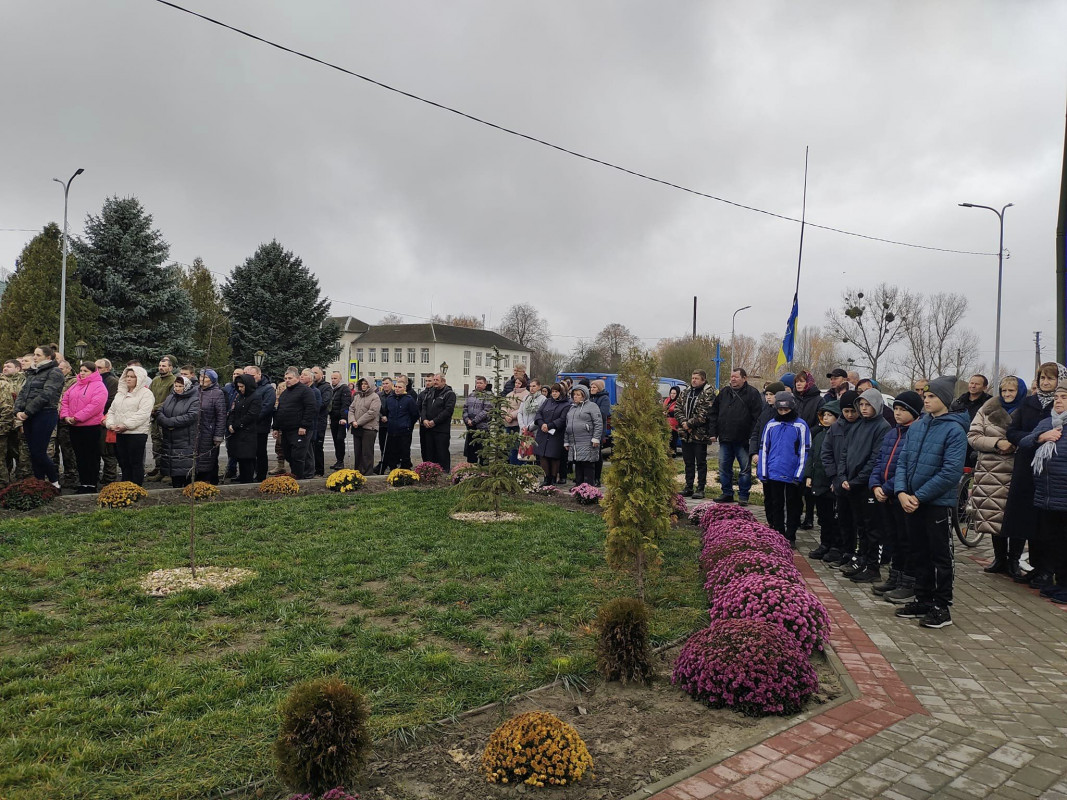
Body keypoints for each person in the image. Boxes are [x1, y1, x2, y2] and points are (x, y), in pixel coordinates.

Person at [893, 376, 969, 630]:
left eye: (932, 397)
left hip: (935, 502)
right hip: (911, 500)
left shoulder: (954, 430)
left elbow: (950, 472)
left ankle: (941, 606)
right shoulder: (918, 426)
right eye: (925, 396)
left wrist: (918, 496)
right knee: (918, 551)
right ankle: (923, 598)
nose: (926, 400)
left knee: (940, 555)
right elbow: (903, 461)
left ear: (944, 400)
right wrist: (902, 491)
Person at [1003, 362, 1067, 587]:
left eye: (1051, 378)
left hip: (1052, 475)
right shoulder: (1028, 403)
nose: (1046, 382)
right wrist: (1036, 437)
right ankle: (1036, 567)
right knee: (1028, 520)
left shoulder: (1059, 406)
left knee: (1047, 525)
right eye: (1042, 378)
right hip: (1027, 467)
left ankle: (1047, 570)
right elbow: (1013, 431)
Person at [969, 376, 1026, 578]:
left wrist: (1014, 444)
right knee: (993, 514)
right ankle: (999, 557)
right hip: (991, 470)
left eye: (1011, 391)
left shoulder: (1027, 409)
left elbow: (1034, 436)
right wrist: (996, 443)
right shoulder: (987, 408)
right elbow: (973, 436)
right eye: (1004, 391)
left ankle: (1014, 560)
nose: (1007, 395)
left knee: (1017, 516)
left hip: (1018, 469)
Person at [868, 391, 923, 602]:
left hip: (902, 495)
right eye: (896, 409)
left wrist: (889, 487)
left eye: (903, 410)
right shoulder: (892, 433)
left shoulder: (915, 434)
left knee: (906, 540)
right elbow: (880, 461)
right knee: (892, 538)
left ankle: (908, 581)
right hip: (885, 495)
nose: (898, 413)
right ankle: (895, 576)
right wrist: (875, 485)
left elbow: (907, 468)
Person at [838, 389, 892, 584]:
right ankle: (861, 560)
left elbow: (875, 458)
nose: (864, 408)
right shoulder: (857, 425)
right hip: (852, 484)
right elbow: (845, 452)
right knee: (860, 525)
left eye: (868, 405)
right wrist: (843, 475)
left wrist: (857, 479)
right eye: (861, 405)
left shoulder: (882, 427)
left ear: (877, 405)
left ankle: (873, 567)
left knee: (872, 528)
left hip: (867, 485)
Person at [1021, 379, 1067, 603]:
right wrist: (1042, 437)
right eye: (1057, 397)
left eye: (1064, 397)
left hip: (1064, 493)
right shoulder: (1049, 422)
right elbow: (1025, 442)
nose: (1058, 401)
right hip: (1047, 495)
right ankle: (1058, 582)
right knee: (1053, 542)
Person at [757, 391, 810, 546]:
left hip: (793, 473)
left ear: (792, 408)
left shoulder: (800, 425)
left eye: (786, 410)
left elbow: (804, 451)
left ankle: (791, 535)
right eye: (780, 410)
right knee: (776, 504)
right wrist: (763, 472)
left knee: (793, 505)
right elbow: (764, 448)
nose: (783, 413)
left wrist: (799, 474)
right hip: (774, 473)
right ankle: (778, 533)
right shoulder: (771, 425)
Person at [708, 367, 763, 505]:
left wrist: (753, 436)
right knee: (724, 467)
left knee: (745, 469)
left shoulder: (752, 393)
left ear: (744, 378)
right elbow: (713, 412)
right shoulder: (724, 392)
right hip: (725, 438)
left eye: (736, 377)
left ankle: (743, 495)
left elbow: (758, 417)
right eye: (731, 376)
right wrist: (713, 432)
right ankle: (727, 493)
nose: (732, 379)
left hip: (743, 439)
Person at [14, 345, 65, 487]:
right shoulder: (33, 373)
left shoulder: (55, 372)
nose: (34, 358)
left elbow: (46, 395)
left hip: (45, 414)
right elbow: (23, 393)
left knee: (39, 452)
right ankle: (39, 483)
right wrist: (17, 410)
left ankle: (54, 482)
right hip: (29, 416)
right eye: (34, 355)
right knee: (33, 452)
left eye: (38, 355)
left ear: (48, 357)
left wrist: (27, 412)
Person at [822, 389, 860, 567]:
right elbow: (827, 452)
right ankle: (845, 551)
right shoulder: (836, 427)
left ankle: (855, 554)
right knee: (842, 519)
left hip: (857, 482)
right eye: (846, 411)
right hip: (839, 481)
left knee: (856, 521)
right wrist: (835, 477)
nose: (850, 415)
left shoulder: (862, 426)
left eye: (853, 410)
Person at [59, 361, 108, 493]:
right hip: (74, 426)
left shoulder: (99, 386)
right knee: (79, 456)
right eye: (81, 370)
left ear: (93, 372)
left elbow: (95, 406)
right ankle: (83, 482)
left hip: (90, 427)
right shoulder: (75, 385)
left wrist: (77, 417)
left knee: (91, 456)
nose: (82, 373)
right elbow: (65, 400)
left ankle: (91, 484)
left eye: (85, 371)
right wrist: (66, 416)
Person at [104, 366, 154, 486]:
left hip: (136, 433)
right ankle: (125, 486)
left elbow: (143, 414)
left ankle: (136, 487)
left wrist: (126, 425)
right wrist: (110, 424)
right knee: (123, 462)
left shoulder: (146, 394)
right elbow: (112, 411)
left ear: (140, 379)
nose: (129, 379)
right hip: (120, 432)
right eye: (127, 376)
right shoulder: (120, 393)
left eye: (133, 377)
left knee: (135, 462)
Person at [805, 401, 841, 562]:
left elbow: (839, 459)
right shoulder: (819, 434)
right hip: (818, 480)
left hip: (831, 482)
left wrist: (836, 479)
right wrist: (809, 475)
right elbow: (812, 456)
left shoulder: (839, 436)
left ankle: (834, 545)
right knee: (822, 515)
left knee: (833, 516)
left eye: (829, 415)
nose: (825, 418)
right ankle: (824, 543)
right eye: (824, 415)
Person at [272, 368, 316, 479]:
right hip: (286, 430)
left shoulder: (306, 391)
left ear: (297, 378)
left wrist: (304, 425)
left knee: (298, 456)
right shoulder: (285, 393)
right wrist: (276, 427)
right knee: (288, 454)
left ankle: (299, 478)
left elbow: (310, 408)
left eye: (290, 378)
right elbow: (280, 410)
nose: (287, 380)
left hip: (300, 429)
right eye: (285, 378)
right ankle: (294, 475)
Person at [157, 375, 201, 489]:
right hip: (169, 439)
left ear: (186, 386)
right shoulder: (170, 397)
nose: (177, 388)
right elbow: (160, 411)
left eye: (180, 386)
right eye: (176, 386)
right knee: (173, 469)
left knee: (184, 468)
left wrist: (170, 422)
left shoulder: (194, 399)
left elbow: (191, 416)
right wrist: (165, 422)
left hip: (184, 440)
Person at [676, 370, 714, 499]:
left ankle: (700, 488)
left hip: (700, 434)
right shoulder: (686, 391)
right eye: (692, 378)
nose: (694, 380)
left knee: (700, 462)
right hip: (685, 433)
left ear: (703, 380)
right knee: (688, 462)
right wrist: (684, 423)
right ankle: (688, 486)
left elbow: (704, 413)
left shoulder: (708, 392)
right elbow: (677, 408)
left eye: (697, 378)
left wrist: (690, 424)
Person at [792, 370, 823, 529]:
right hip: (793, 445)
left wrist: (807, 432)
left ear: (809, 383)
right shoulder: (793, 399)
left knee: (807, 484)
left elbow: (822, 422)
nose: (798, 384)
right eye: (797, 381)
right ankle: (795, 516)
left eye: (802, 381)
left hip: (810, 444)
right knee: (795, 485)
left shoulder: (818, 400)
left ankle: (809, 517)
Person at [564, 384, 603, 486]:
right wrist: (566, 441)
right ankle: (579, 487)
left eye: (578, 395)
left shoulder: (592, 406)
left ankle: (588, 489)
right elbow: (568, 426)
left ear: (584, 395)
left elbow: (598, 423)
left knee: (588, 465)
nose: (575, 397)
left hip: (587, 441)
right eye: (574, 395)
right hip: (574, 443)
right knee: (578, 464)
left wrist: (596, 438)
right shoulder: (572, 409)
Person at [226, 374, 261, 483]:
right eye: (238, 386)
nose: (240, 389)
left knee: (247, 459)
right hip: (238, 433)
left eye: (242, 386)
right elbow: (233, 411)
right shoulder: (239, 397)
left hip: (248, 433)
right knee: (240, 458)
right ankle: (242, 477)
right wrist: (230, 423)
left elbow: (251, 415)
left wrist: (236, 425)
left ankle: (247, 479)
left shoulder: (255, 397)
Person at [147, 356, 177, 481]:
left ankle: (169, 472)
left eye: (164, 366)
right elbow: (148, 396)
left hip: (166, 417)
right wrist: (148, 407)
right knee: (156, 444)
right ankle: (159, 469)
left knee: (167, 444)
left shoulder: (174, 381)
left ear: (171, 368)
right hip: (154, 418)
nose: (161, 367)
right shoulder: (155, 380)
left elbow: (171, 399)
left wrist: (154, 408)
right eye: (160, 365)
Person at [195, 369, 227, 484]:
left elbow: (221, 416)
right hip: (195, 432)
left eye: (205, 377)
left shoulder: (217, 393)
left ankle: (209, 483)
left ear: (212, 380)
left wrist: (218, 435)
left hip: (208, 432)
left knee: (208, 459)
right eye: (200, 376)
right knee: (196, 458)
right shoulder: (195, 391)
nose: (201, 379)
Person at [534, 383, 569, 485]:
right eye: (553, 391)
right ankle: (546, 478)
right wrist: (542, 424)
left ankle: (553, 478)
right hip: (543, 432)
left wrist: (550, 425)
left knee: (554, 456)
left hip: (556, 433)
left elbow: (562, 419)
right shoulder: (547, 401)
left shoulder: (566, 404)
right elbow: (538, 413)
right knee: (543, 455)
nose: (554, 394)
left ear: (561, 392)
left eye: (556, 392)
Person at [420, 373, 456, 470]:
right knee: (429, 453)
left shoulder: (449, 394)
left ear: (443, 381)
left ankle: (444, 472)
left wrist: (434, 421)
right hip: (428, 428)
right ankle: (431, 472)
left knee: (441, 452)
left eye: (437, 380)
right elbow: (423, 407)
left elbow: (447, 411)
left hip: (441, 429)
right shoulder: (430, 392)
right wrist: (424, 419)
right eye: (434, 380)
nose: (434, 382)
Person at [245, 365, 275, 481]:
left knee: (260, 452)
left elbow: (266, 407)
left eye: (253, 376)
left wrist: (252, 419)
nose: (251, 378)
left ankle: (261, 475)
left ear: (259, 375)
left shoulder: (268, 389)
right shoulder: (250, 387)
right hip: (249, 426)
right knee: (249, 452)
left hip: (260, 426)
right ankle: (250, 473)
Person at [381, 377, 419, 471]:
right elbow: (385, 411)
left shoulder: (409, 399)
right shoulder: (390, 399)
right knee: (392, 452)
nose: (397, 389)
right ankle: (393, 470)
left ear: (404, 389)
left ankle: (405, 470)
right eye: (396, 387)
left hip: (404, 430)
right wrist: (384, 417)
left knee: (405, 452)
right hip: (392, 430)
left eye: (400, 387)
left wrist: (408, 425)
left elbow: (415, 414)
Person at [348, 378, 380, 475]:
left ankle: (367, 473)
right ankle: (358, 472)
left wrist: (359, 422)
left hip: (369, 428)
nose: (364, 386)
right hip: (357, 427)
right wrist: (352, 420)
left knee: (367, 453)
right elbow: (351, 409)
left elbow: (372, 412)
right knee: (357, 452)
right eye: (362, 384)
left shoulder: (375, 397)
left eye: (366, 384)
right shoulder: (357, 396)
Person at [95, 358, 120, 485]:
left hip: (106, 420)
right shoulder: (95, 381)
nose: (97, 370)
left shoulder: (112, 381)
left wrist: (98, 410)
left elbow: (111, 401)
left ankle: (110, 478)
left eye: (99, 368)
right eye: (95, 368)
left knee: (107, 451)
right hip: (95, 421)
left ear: (107, 369)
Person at [55, 360, 79, 488]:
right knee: (53, 450)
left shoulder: (74, 382)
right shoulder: (53, 380)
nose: (59, 371)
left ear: (68, 369)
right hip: (53, 419)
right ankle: (54, 476)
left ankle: (71, 476)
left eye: (62, 369)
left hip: (66, 420)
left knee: (68, 449)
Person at [462, 376, 492, 464]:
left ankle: (483, 471)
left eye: (480, 383)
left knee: (483, 452)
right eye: (477, 383)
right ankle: (471, 470)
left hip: (482, 428)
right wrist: (467, 419)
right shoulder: (471, 395)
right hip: (470, 428)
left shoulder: (488, 396)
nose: (478, 385)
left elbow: (486, 411)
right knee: (471, 451)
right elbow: (465, 408)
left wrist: (474, 421)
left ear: (485, 384)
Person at [503, 375, 531, 465]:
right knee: (510, 446)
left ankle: (518, 466)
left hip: (517, 424)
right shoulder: (510, 394)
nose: (517, 384)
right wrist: (505, 415)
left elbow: (522, 409)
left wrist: (511, 415)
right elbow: (503, 406)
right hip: (508, 423)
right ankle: (511, 465)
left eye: (519, 383)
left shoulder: (526, 394)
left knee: (517, 446)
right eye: (516, 382)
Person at [311, 366, 333, 476]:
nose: (313, 374)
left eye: (315, 372)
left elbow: (324, 403)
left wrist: (310, 407)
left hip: (320, 420)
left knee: (318, 446)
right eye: (312, 372)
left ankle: (319, 471)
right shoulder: (310, 386)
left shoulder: (326, 387)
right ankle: (311, 468)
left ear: (321, 374)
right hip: (311, 420)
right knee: (311, 446)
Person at [589, 379, 612, 486]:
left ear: (599, 388)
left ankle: (597, 478)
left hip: (598, 429)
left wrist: (589, 414)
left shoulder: (604, 399)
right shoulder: (589, 398)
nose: (592, 389)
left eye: (594, 387)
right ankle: (589, 477)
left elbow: (603, 413)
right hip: (587, 430)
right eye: (591, 387)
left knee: (597, 455)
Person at [328, 370, 352, 470]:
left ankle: (341, 461)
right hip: (333, 418)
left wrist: (344, 417)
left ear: (340, 379)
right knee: (335, 440)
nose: (333, 380)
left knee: (340, 439)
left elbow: (345, 404)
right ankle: (338, 460)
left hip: (341, 419)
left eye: (335, 378)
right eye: (332, 378)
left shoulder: (344, 389)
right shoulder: (333, 389)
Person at [374, 378, 394, 474]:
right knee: (383, 446)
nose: (385, 385)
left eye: (387, 383)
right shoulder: (378, 395)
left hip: (392, 424)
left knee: (392, 446)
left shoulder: (394, 395)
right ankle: (383, 464)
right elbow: (376, 408)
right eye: (383, 384)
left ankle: (392, 465)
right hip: (382, 424)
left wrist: (389, 417)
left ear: (391, 384)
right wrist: (382, 416)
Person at [663, 385, 681, 457]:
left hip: (674, 426)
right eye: (671, 393)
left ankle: (673, 457)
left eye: (674, 393)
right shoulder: (667, 400)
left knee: (672, 444)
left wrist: (668, 413)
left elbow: (676, 413)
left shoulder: (679, 402)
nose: (672, 395)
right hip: (666, 424)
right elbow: (663, 408)